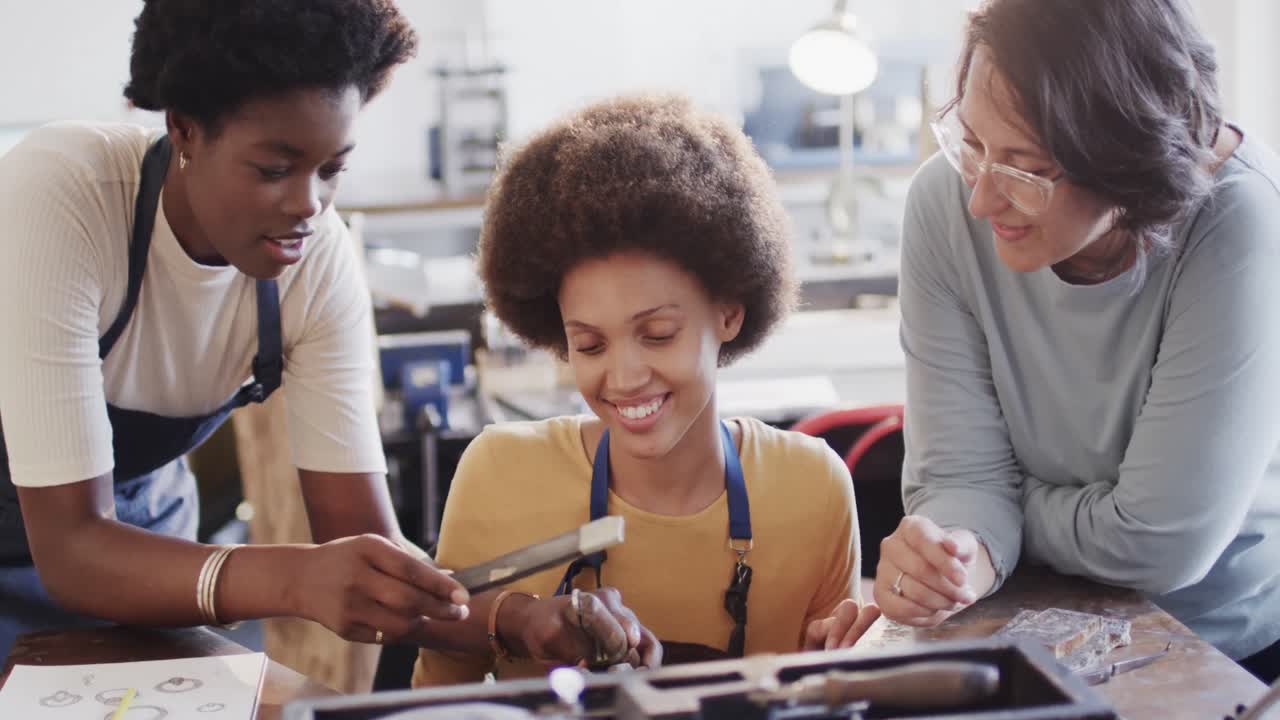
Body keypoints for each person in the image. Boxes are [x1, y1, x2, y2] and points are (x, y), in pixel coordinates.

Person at [0, 0, 471, 657]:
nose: (309, 204)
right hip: (76, 544)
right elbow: (72, 548)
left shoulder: (318, 262)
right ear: (186, 130)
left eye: (331, 169)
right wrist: (295, 577)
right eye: (274, 170)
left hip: (138, 552)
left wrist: (515, 620)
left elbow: (373, 553)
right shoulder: (65, 194)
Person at [412, 94, 880, 686]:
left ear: (729, 314)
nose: (625, 377)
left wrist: (835, 679)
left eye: (657, 334)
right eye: (589, 345)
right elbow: (440, 702)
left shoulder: (811, 490)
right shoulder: (498, 474)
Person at [875, 0, 1280, 682]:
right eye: (971, 144)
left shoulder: (1238, 224)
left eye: (1024, 168)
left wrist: (1004, 499)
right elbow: (956, 481)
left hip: (1222, 647)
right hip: (1026, 628)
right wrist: (955, 556)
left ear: (1128, 159)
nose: (981, 199)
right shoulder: (944, 205)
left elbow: (1161, 546)